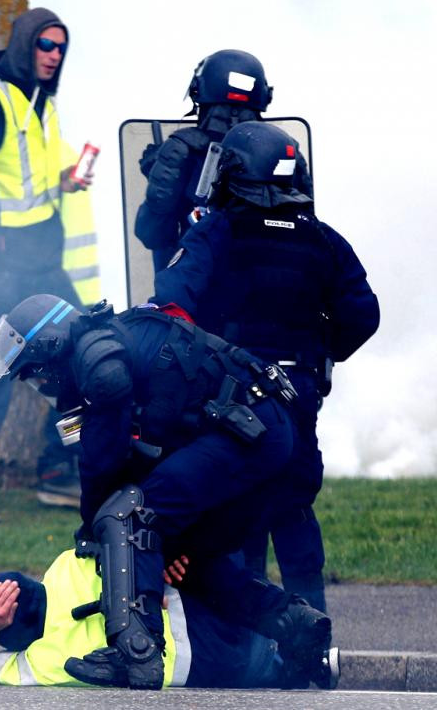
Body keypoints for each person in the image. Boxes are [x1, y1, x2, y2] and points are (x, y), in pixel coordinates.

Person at [0, 295, 332, 689]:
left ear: (51, 347)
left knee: (125, 517)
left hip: (250, 434)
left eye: (37, 375)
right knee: (181, 556)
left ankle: (135, 652)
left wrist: (94, 530)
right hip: (261, 435)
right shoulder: (111, 344)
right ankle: (297, 626)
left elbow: (102, 464)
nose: (42, 386)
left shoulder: (98, 361)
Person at [151, 120, 380, 613]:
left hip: (229, 396)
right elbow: (364, 315)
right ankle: (313, 639)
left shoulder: (215, 231)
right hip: (296, 392)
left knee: (235, 509)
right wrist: (322, 354)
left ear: (233, 172)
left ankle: (248, 646)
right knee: (294, 507)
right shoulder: (323, 240)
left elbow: (170, 302)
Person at [0, 7, 94, 524]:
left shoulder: (39, 100)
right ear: (25, 44)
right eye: (45, 46)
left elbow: (27, 182)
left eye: (61, 49)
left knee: (88, 359)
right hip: (3, 269)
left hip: (43, 265)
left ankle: (57, 470)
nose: (53, 56)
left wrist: (65, 180)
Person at [0, 549, 338, 689]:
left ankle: (306, 666)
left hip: (208, 667)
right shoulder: (67, 564)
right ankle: (302, 642)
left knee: (267, 672)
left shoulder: (45, 663)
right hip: (216, 617)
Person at [133, 49, 311, 275]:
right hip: (277, 285)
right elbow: (308, 224)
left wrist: (159, 181)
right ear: (264, 96)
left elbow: (152, 233)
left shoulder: (180, 149)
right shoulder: (286, 149)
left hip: (199, 291)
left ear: (198, 91)